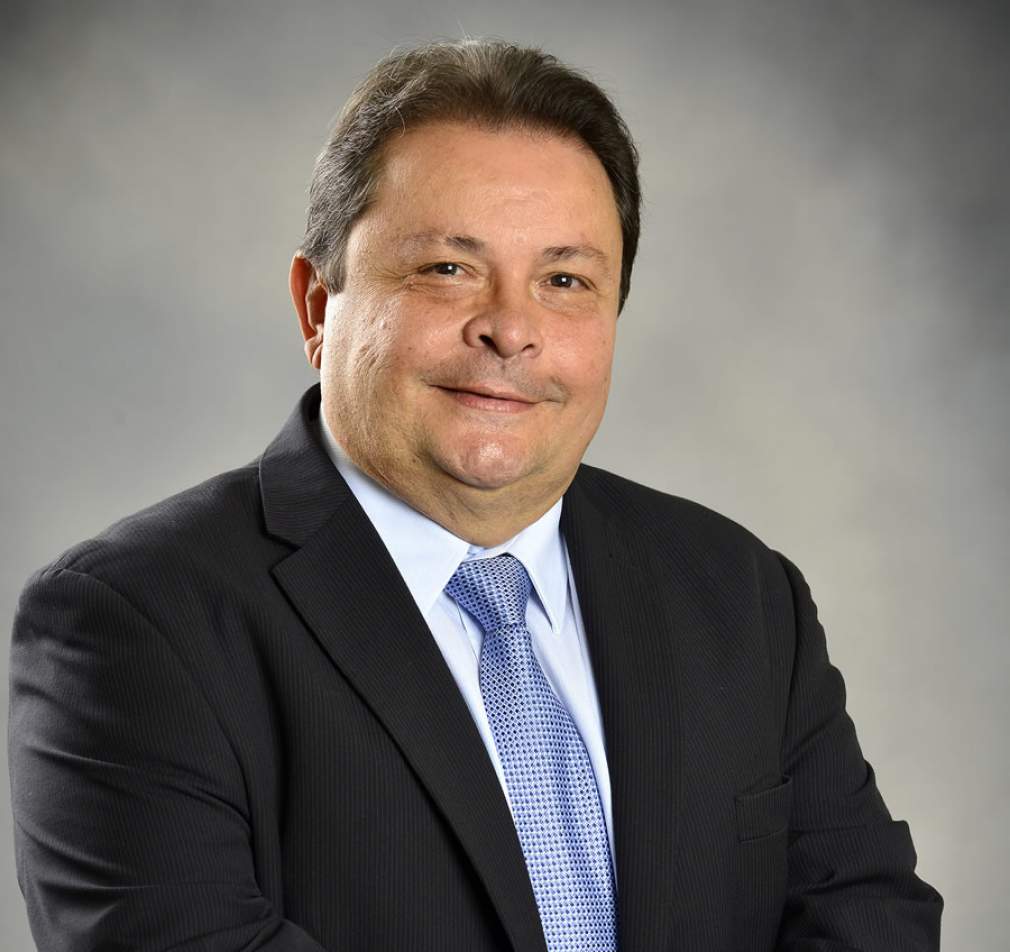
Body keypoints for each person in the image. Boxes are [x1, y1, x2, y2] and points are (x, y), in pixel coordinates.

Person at [8, 38, 943, 952]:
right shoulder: (135, 624)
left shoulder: (739, 593)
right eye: (447, 269)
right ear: (317, 306)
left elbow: (869, 915)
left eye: (564, 280)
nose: (509, 329)